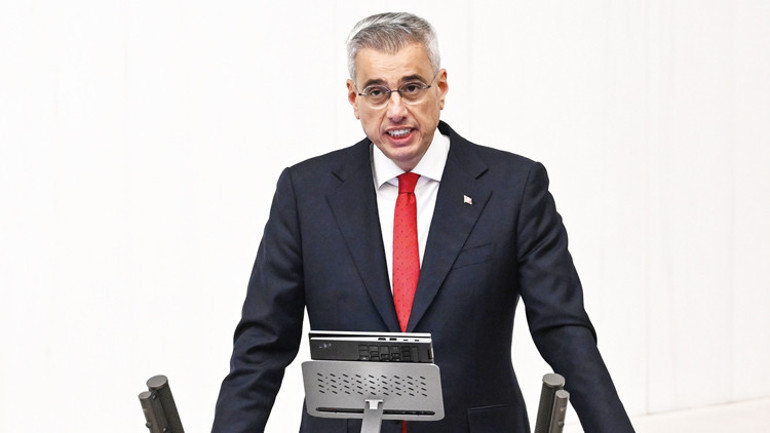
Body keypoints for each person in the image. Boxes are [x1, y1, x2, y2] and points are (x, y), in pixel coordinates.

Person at [212, 12, 635, 433]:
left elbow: (563, 329)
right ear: (354, 99)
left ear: (441, 87)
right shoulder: (305, 193)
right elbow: (262, 344)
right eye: (377, 92)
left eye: (412, 88)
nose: (396, 110)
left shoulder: (514, 188)